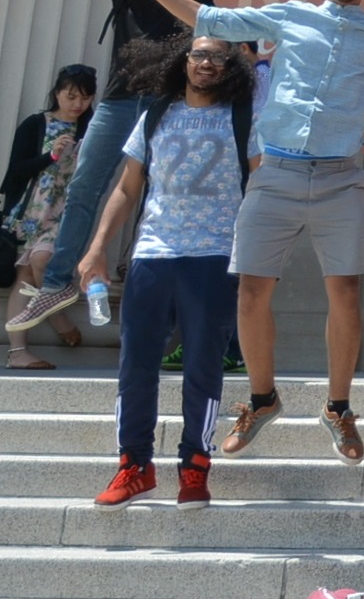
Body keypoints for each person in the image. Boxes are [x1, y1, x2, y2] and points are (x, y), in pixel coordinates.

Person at [125, 0, 364, 463]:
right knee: (251, 292)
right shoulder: (289, 16)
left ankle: (339, 408)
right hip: (275, 173)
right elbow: (209, 17)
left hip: (340, 178)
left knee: (344, 291)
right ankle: (261, 399)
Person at [9, 0, 281, 334]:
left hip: (171, 104)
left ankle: (144, 281)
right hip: (118, 100)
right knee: (85, 187)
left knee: (159, 192)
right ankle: (58, 281)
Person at [80, 36, 255, 509]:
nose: (207, 63)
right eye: (199, 54)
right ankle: (134, 466)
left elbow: (261, 187)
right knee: (135, 366)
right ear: (183, 61)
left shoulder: (246, 117)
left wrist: (259, 256)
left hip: (215, 256)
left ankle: (195, 466)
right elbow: (126, 187)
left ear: (231, 67)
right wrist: (96, 249)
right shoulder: (155, 114)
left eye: (219, 57)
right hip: (153, 254)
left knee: (202, 366)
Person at [4, 65, 96, 369]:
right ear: (57, 93)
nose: (77, 104)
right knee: (26, 274)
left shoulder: (93, 129)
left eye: (84, 97)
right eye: (70, 96)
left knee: (41, 262)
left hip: (67, 213)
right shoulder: (36, 124)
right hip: (31, 211)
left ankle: (52, 318)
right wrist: (51, 156)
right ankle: (25, 347)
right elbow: (15, 171)